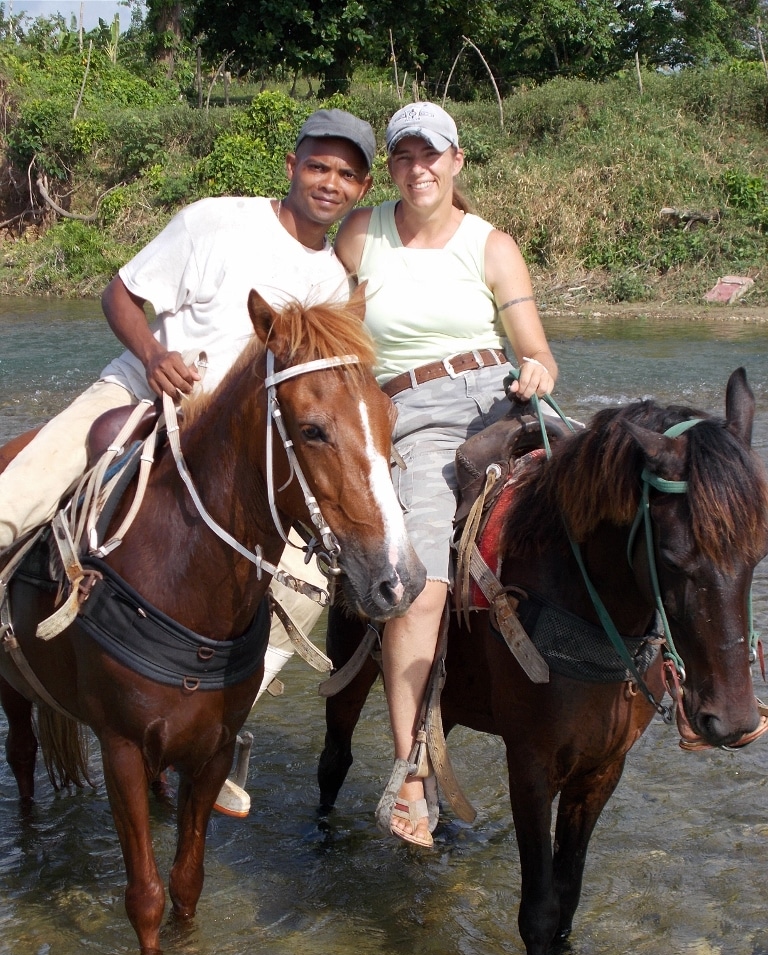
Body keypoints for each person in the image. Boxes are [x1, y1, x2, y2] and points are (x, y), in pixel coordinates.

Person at [0, 107, 375, 699]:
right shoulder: (215, 221)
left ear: (362, 189)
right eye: (318, 167)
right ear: (291, 166)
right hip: (140, 392)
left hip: (234, 442)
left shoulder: (331, 283)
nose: (331, 183)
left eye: (347, 175)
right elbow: (119, 294)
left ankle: (226, 709)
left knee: (307, 585)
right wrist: (152, 355)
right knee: (16, 497)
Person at [334, 101, 558, 848]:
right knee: (421, 582)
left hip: (499, 396)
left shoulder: (492, 245)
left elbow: (535, 348)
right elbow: (325, 329)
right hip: (409, 412)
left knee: (615, 492)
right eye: (403, 155)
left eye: (430, 154)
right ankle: (411, 770)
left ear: (456, 161)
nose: (417, 168)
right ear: (391, 167)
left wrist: (537, 368)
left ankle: (674, 679)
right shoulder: (361, 234)